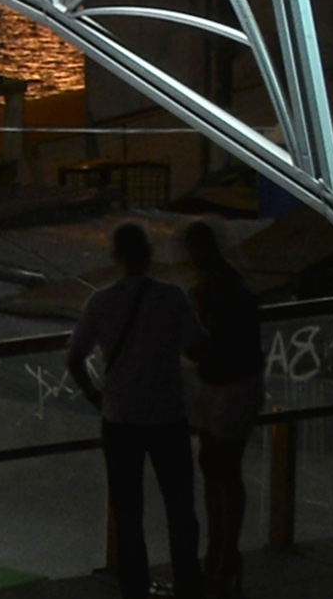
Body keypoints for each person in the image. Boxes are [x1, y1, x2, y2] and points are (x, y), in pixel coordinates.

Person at [65, 219, 202, 599]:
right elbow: (196, 347)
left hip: (121, 417)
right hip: (168, 414)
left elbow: (75, 356)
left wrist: (95, 395)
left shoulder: (101, 301)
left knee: (128, 510)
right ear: (149, 255)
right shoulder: (172, 297)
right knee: (180, 505)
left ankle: (135, 585)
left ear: (116, 256)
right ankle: (189, 581)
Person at [178, 222, 265, 599]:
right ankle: (223, 551)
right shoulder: (231, 288)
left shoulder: (213, 292)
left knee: (217, 468)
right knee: (221, 467)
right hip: (233, 385)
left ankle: (221, 551)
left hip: (223, 385)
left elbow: (212, 347)